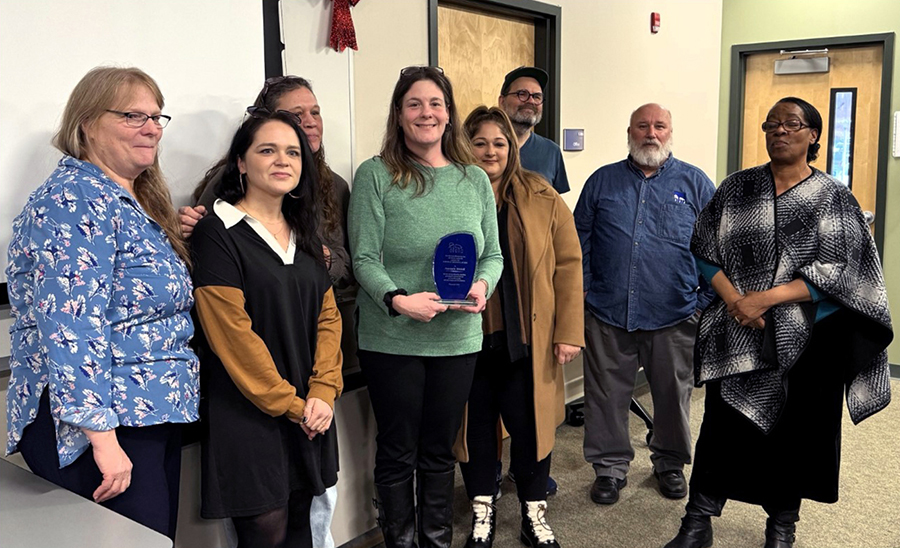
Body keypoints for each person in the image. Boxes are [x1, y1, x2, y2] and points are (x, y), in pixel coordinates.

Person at [663, 97, 893, 548]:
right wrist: (735, 301)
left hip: (810, 340)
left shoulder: (834, 198)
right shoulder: (736, 189)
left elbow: (843, 271)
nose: (780, 131)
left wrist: (764, 300)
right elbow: (704, 248)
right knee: (722, 430)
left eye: (793, 124)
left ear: (814, 137)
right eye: (773, 123)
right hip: (737, 333)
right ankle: (698, 521)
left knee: (796, 437)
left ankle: (782, 526)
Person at [5, 66, 199, 540]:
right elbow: (71, 328)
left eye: (156, 116)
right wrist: (102, 439)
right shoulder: (72, 200)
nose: (151, 127)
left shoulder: (129, 199)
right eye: (133, 115)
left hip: (148, 415)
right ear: (86, 123)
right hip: (105, 426)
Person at [178, 76, 351, 548]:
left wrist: (322, 392)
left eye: (293, 152)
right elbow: (231, 336)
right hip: (252, 411)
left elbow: (328, 319)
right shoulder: (218, 232)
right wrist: (293, 404)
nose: (282, 161)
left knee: (302, 523)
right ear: (241, 162)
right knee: (265, 531)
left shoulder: (305, 233)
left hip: (311, 407)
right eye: (267, 150)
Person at [348, 66, 503, 548]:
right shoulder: (377, 175)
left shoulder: (474, 178)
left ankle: (435, 541)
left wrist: (481, 286)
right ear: (398, 114)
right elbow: (364, 258)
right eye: (414, 104)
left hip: (457, 339)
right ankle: (400, 541)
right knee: (397, 451)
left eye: (435, 103)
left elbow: (492, 254)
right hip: (392, 338)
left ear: (449, 113)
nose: (426, 113)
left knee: (439, 451)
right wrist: (398, 300)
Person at [574, 103, 715, 506]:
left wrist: (701, 301)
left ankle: (669, 462)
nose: (650, 133)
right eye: (642, 126)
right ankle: (609, 467)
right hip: (607, 311)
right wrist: (583, 289)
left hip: (673, 314)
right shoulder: (602, 181)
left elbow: (716, 246)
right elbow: (578, 239)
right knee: (604, 397)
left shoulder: (694, 183)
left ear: (670, 132)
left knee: (673, 395)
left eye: (659, 126)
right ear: (629, 131)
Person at [455, 106, 584, 548]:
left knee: (532, 426)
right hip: (466, 337)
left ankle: (533, 513)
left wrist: (569, 330)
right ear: (464, 145)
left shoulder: (541, 194)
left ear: (512, 147)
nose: (490, 151)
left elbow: (568, 265)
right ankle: (482, 511)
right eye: (480, 142)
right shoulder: (449, 193)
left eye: (500, 142)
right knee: (475, 429)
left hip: (528, 339)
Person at [498, 66, 569, 195]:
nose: (531, 101)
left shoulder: (551, 152)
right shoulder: (481, 148)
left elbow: (554, 209)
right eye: (522, 94)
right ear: (502, 102)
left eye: (537, 96)